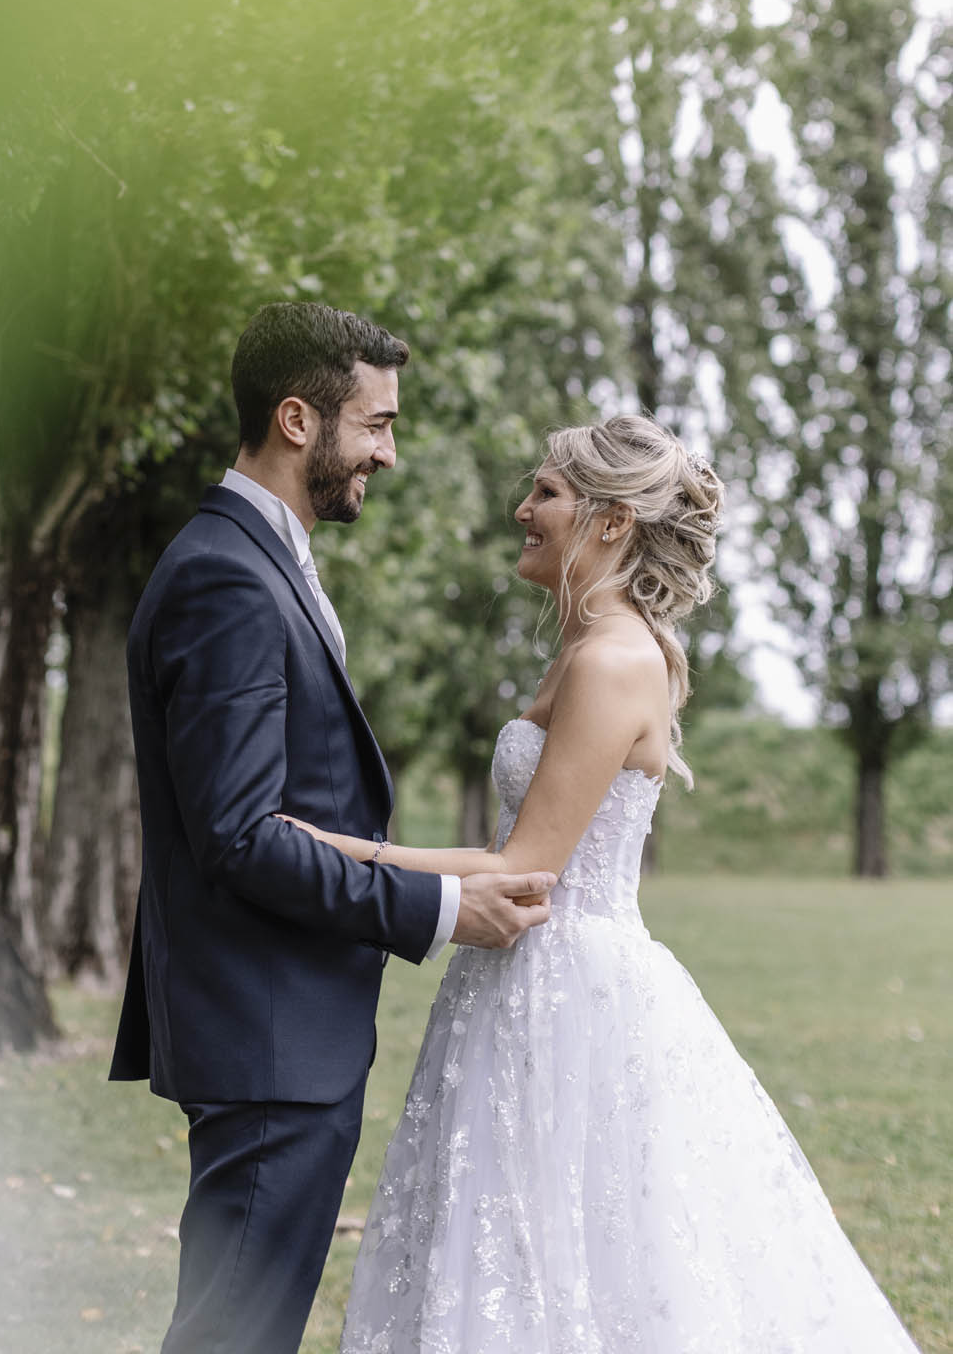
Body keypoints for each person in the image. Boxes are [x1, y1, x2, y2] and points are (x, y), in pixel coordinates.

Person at [278, 413, 924, 1354]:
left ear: (611, 522)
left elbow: (519, 867)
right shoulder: (585, 651)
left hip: (566, 990)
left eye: (545, 493)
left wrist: (337, 851)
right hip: (511, 981)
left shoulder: (614, 660)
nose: (521, 510)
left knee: (579, 1249)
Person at [109, 301, 554, 1354]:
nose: (388, 453)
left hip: (280, 1027)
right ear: (298, 418)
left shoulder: (261, 557)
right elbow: (240, 834)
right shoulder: (227, 575)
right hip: (265, 1032)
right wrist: (444, 904)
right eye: (377, 424)